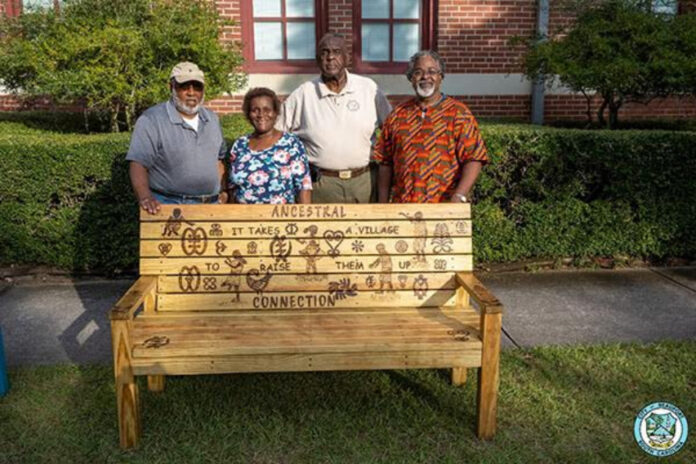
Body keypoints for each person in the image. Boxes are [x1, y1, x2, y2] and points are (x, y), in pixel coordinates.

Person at [276, 33, 392, 203]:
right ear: (317, 59)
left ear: (347, 58)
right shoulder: (303, 94)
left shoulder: (368, 89)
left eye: (337, 52)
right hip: (320, 185)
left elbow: (392, 130)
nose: (330, 57)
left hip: (364, 182)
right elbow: (276, 136)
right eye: (324, 52)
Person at [374, 51, 488, 204]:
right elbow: (385, 162)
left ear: (441, 77)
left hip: (444, 208)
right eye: (418, 72)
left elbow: (474, 158)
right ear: (411, 78)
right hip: (402, 208)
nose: (425, 77)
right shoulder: (397, 116)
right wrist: (382, 205)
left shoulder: (459, 114)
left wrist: (459, 195)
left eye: (432, 72)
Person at [126, 62, 228, 214]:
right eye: (184, 86)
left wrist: (224, 190)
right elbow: (138, 164)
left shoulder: (212, 119)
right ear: (171, 87)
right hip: (169, 206)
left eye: (197, 86)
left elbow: (218, 160)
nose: (191, 92)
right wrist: (145, 197)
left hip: (211, 206)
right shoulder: (152, 119)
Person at [228, 88, 312, 204]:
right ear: (248, 114)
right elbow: (232, 188)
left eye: (267, 110)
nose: (261, 115)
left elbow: (304, 187)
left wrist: (305, 221)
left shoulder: (291, 144)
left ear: (276, 112)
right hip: (244, 219)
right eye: (255, 110)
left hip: (280, 219)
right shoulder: (240, 145)